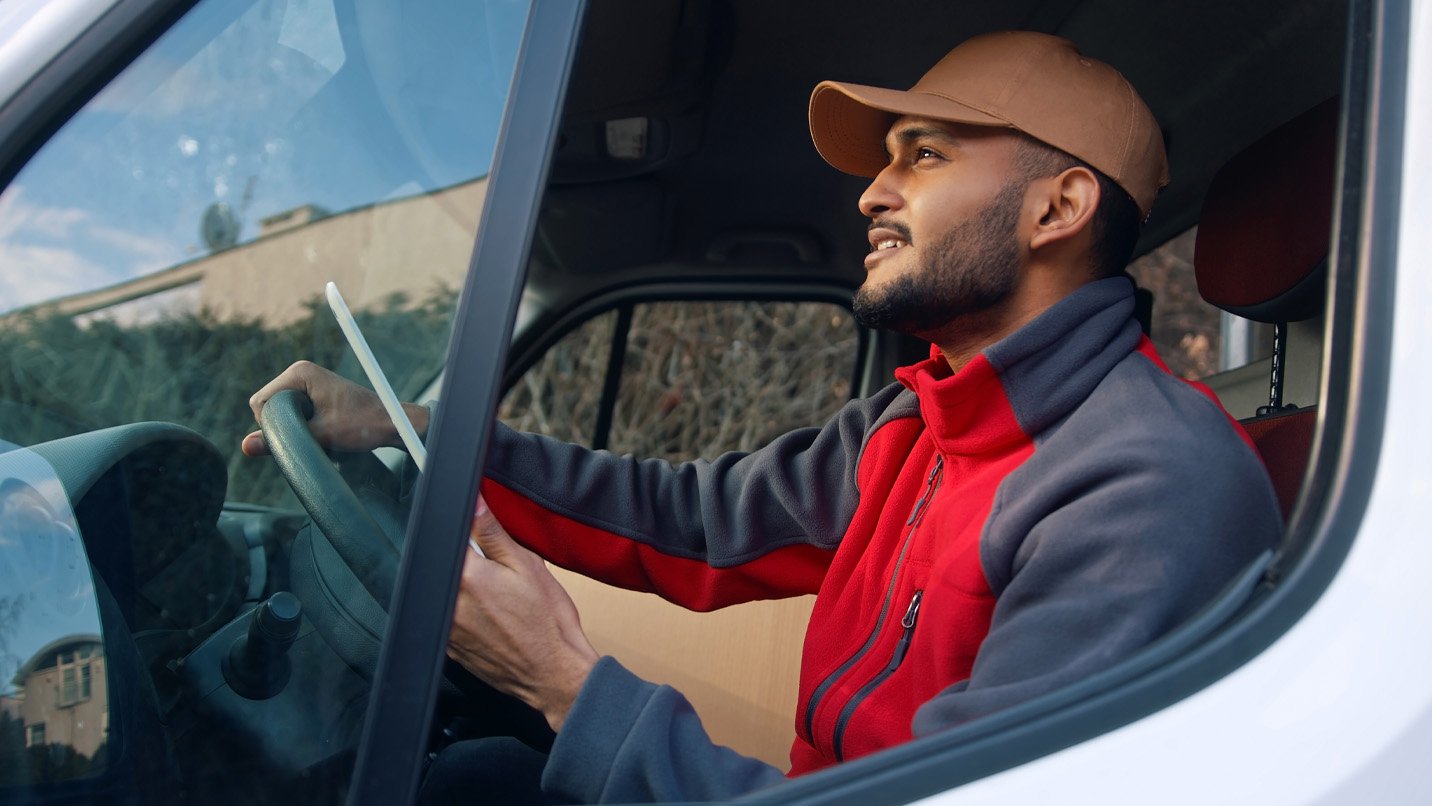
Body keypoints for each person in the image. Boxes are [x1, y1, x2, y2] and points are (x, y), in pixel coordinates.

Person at [244, 30, 1281, 804]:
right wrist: (409, 428)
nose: (872, 191)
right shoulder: (913, 422)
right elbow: (687, 520)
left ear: (1057, 208)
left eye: (922, 154)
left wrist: (564, 682)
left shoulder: (1150, 484)